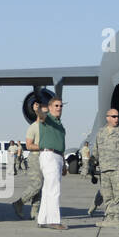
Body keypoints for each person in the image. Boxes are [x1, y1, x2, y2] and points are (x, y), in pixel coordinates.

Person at [35, 97, 68, 229]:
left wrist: (63, 163)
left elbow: (61, 144)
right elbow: (41, 116)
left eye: (60, 106)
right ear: (49, 107)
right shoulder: (47, 119)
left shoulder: (59, 124)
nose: (59, 108)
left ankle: (42, 219)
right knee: (54, 189)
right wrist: (37, 109)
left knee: (48, 189)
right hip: (49, 155)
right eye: (56, 106)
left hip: (58, 156)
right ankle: (54, 220)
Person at [12, 104, 45, 219]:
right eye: (44, 112)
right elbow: (29, 145)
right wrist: (44, 146)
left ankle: (35, 211)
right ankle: (19, 203)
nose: (46, 115)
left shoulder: (47, 128)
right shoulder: (33, 127)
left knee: (41, 187)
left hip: (45, 158)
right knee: (37, 184)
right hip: (35, 158)